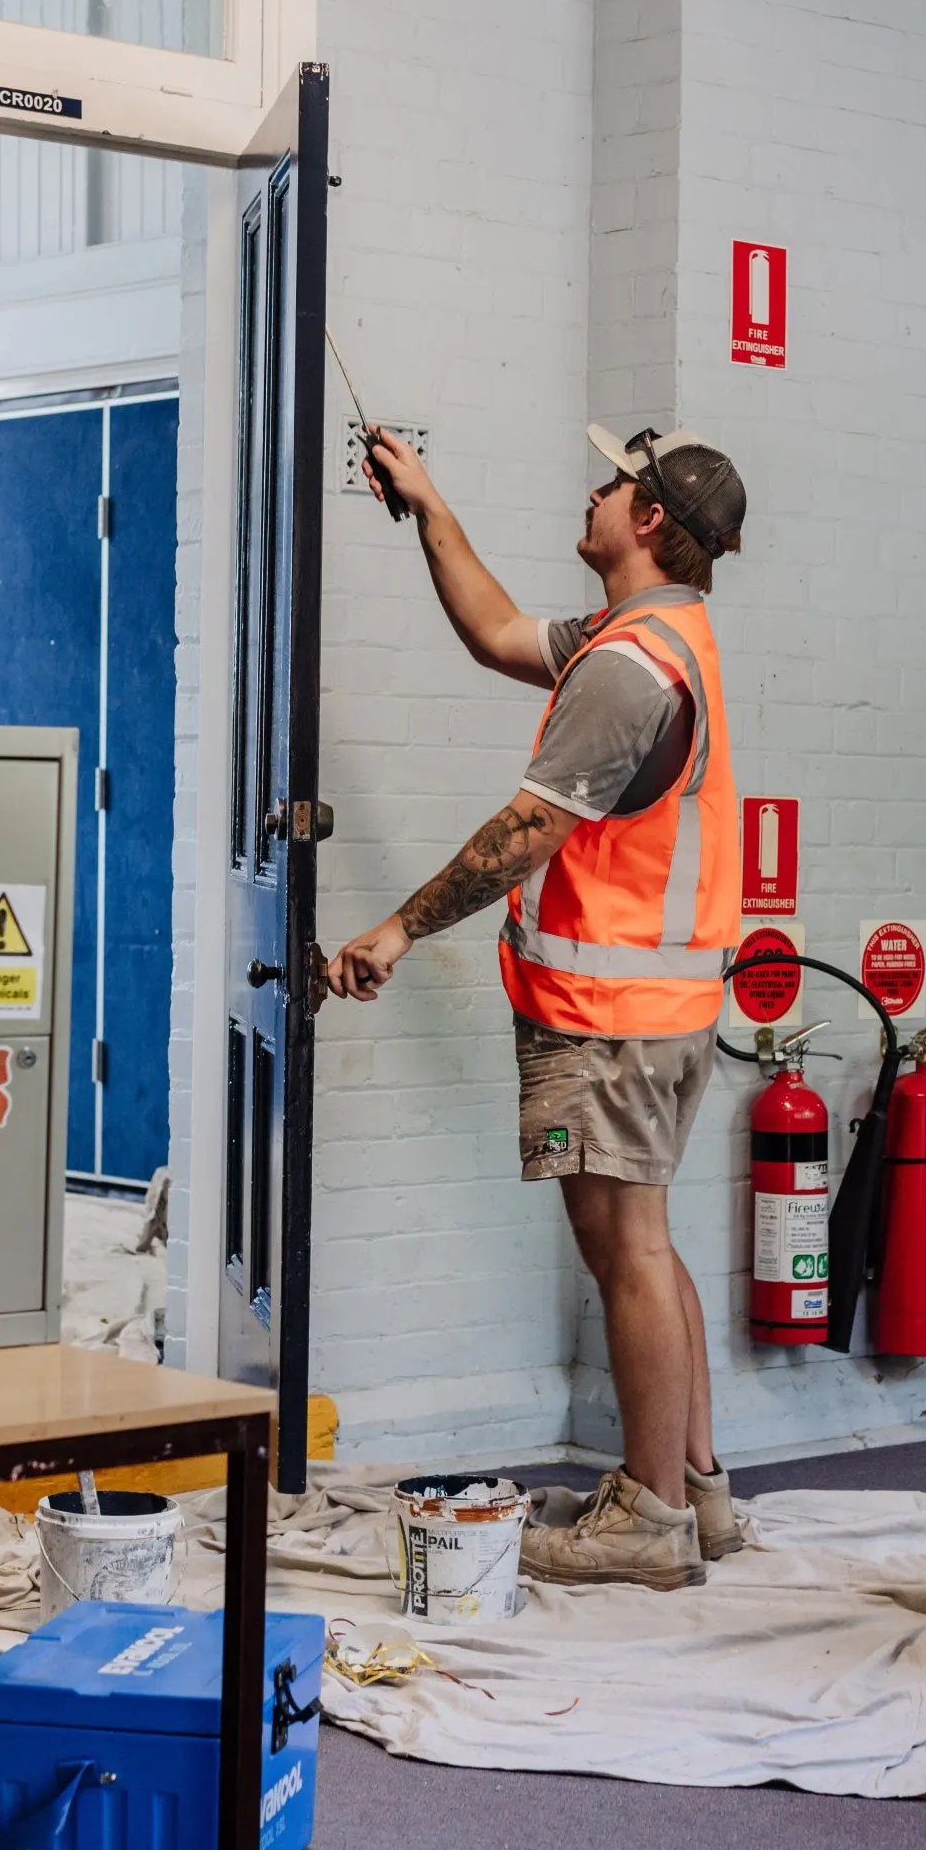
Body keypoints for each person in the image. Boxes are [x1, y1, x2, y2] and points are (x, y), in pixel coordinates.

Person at [326, 422, 748, 1589]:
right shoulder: (643, 634)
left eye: (616, 482)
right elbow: (497, 630)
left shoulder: (626, 668)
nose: (597, 489)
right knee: (643, 1246)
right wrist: (427, 501)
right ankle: (696, 1491)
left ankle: (650, 1520)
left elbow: (526, 835)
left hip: (612, 1015)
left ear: (650, 520)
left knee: (628, 1251)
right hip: (630, 1009)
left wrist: (399, 926)